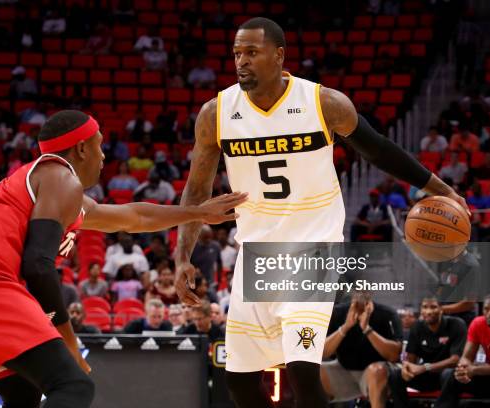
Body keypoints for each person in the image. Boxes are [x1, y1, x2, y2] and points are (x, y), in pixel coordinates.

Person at [174, 17, 468, 408]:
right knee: (240, 383)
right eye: (236, 53)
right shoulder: (217, 114)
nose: (241, 61)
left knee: (302, 370)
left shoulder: (322, 103)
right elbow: (196, 190)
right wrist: (181, 256)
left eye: (251, 52)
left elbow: (379, 150)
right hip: (256, 256)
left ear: (279, 56)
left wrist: (441, 188)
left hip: (313, 250)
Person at [0, 110, 246, 407]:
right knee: (74, 384)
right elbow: (37, 265)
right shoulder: (60, 176)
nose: (105, 156)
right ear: (81, 147)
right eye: (100, 146)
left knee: (24, 393)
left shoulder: (58, 191)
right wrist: (67, 340)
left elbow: (133, 217)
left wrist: (196, 212)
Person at [321, 292, 403, 408]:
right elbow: (323, 352)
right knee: (312, 370)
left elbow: (394, 355)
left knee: (376, 371)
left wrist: (367, 329)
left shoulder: (388, 314)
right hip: (344, 370)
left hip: (376, 374)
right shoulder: (337, 312)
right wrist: (346, 327)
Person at [387, 297, 466, 408]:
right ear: (420, 310)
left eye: (433, 307)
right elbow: (411, 360)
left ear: (441, 309)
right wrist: (407, 369)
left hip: (448, 377)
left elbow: (455, 360)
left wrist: (424, 367)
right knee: (395, 375)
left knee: (449, 374)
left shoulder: (456, 324)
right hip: (427, 376)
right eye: (425, 307)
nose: (428, 311)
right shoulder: (417, 327)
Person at [436, 294, 490, 407]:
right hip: (489, 379)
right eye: (487, 309)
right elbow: (466, 357)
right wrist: (463, 370)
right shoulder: (478, 323)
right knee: (449, 375)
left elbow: (475, 369)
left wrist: (475, 370)